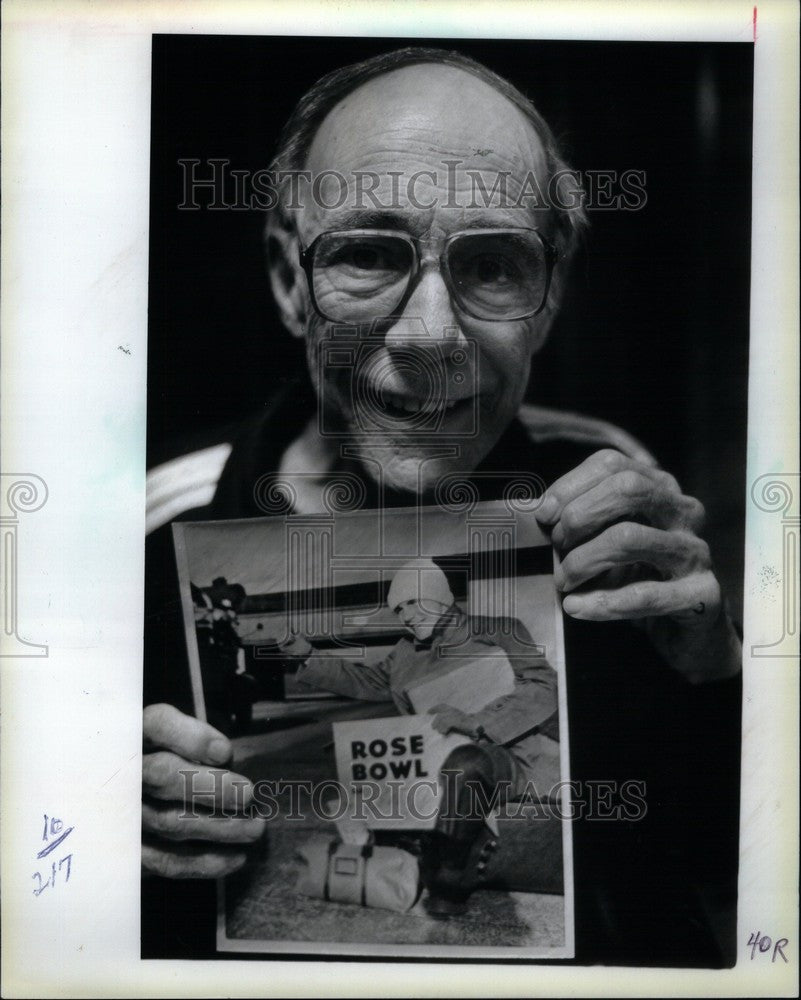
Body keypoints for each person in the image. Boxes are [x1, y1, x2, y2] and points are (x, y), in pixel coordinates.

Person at [142, 46, 742, 964]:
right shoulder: (144, 537)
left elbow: (722, 862)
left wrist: (720, 678)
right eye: (370, 255)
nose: (429, 335)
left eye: (494, 264)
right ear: (288, 281)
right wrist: (75, 830)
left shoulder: (613, 495)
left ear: (549, 298)